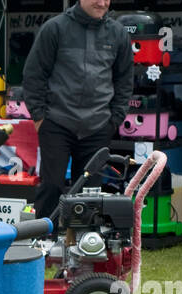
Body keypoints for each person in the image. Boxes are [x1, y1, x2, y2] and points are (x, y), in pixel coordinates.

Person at [21, 0, 133, 220]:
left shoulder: (118, 34)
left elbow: (125, 80)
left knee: (90, 193)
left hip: (98, 127)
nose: (102, 3)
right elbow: (34, 74)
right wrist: (39, 117)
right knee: (52, 186)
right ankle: (43, 241)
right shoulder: (55, 28)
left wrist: (115, 120)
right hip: (56, 123)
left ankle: (84, 245)